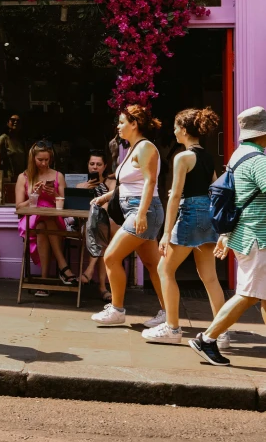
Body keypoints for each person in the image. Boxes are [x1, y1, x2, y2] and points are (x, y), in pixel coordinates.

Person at [142, 107, 230, 349]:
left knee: (164, 269)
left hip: (190, 215)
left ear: (183, 130)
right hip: (208, 215)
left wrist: (167, 231)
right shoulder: (208, 156)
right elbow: (214, 188)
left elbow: (176, 195)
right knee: (210, 278)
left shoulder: (182, 157)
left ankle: (172, 328)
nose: (174, 131)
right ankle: (221, 334)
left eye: (175, 127)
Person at [189, 106, 266, 366]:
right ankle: (206, 339)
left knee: (262, 294)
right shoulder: (258, 160)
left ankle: (207, 339)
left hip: (246, 235)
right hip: (258, 237)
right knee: (248, 294)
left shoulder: (238, 155)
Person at [91, 105, 166, 326]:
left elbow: (150, 182)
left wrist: (142, 213)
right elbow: (131, 184)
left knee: (111, 257)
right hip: (136, 209)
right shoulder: (134, 149)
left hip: (143, 210)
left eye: (122, 122)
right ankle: (167, 314)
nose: (119, 126)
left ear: (134, 124)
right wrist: (105, 198)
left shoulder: (145, 148)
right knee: (153, 264)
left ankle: (117, 309)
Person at [16, 141, 76, 297]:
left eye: (47, 160)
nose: (43, 163)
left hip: (53, 220)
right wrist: (33, 197)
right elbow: (18, 208)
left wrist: (53, 195)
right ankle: (63, 267)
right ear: (32, 159)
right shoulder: (23, 177)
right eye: (40, 160)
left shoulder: (58, 176)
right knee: (43, 220)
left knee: (45, 222)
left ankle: (44, 281)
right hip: (31, 219)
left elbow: (62, 205)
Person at [77, 150, 117, 300]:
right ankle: (102, 287)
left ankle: (89, 270)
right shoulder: (81, 185)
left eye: (98, 164)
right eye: (92, 164)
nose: (95, 167)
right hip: (85, 227)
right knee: (103, 234)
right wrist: (85, 190)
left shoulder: (111, 184)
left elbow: (111, 206)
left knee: (103, 229)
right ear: (88, 166)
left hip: (105, 226)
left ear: (104, 166)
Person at [0, 114, 26, 182]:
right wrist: (0, 180)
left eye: (18, 121)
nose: (15, 122)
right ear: (7, 123)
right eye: (13, 120)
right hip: (9, 178)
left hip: (21, 178)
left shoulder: (21, 141)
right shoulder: (3, 138)